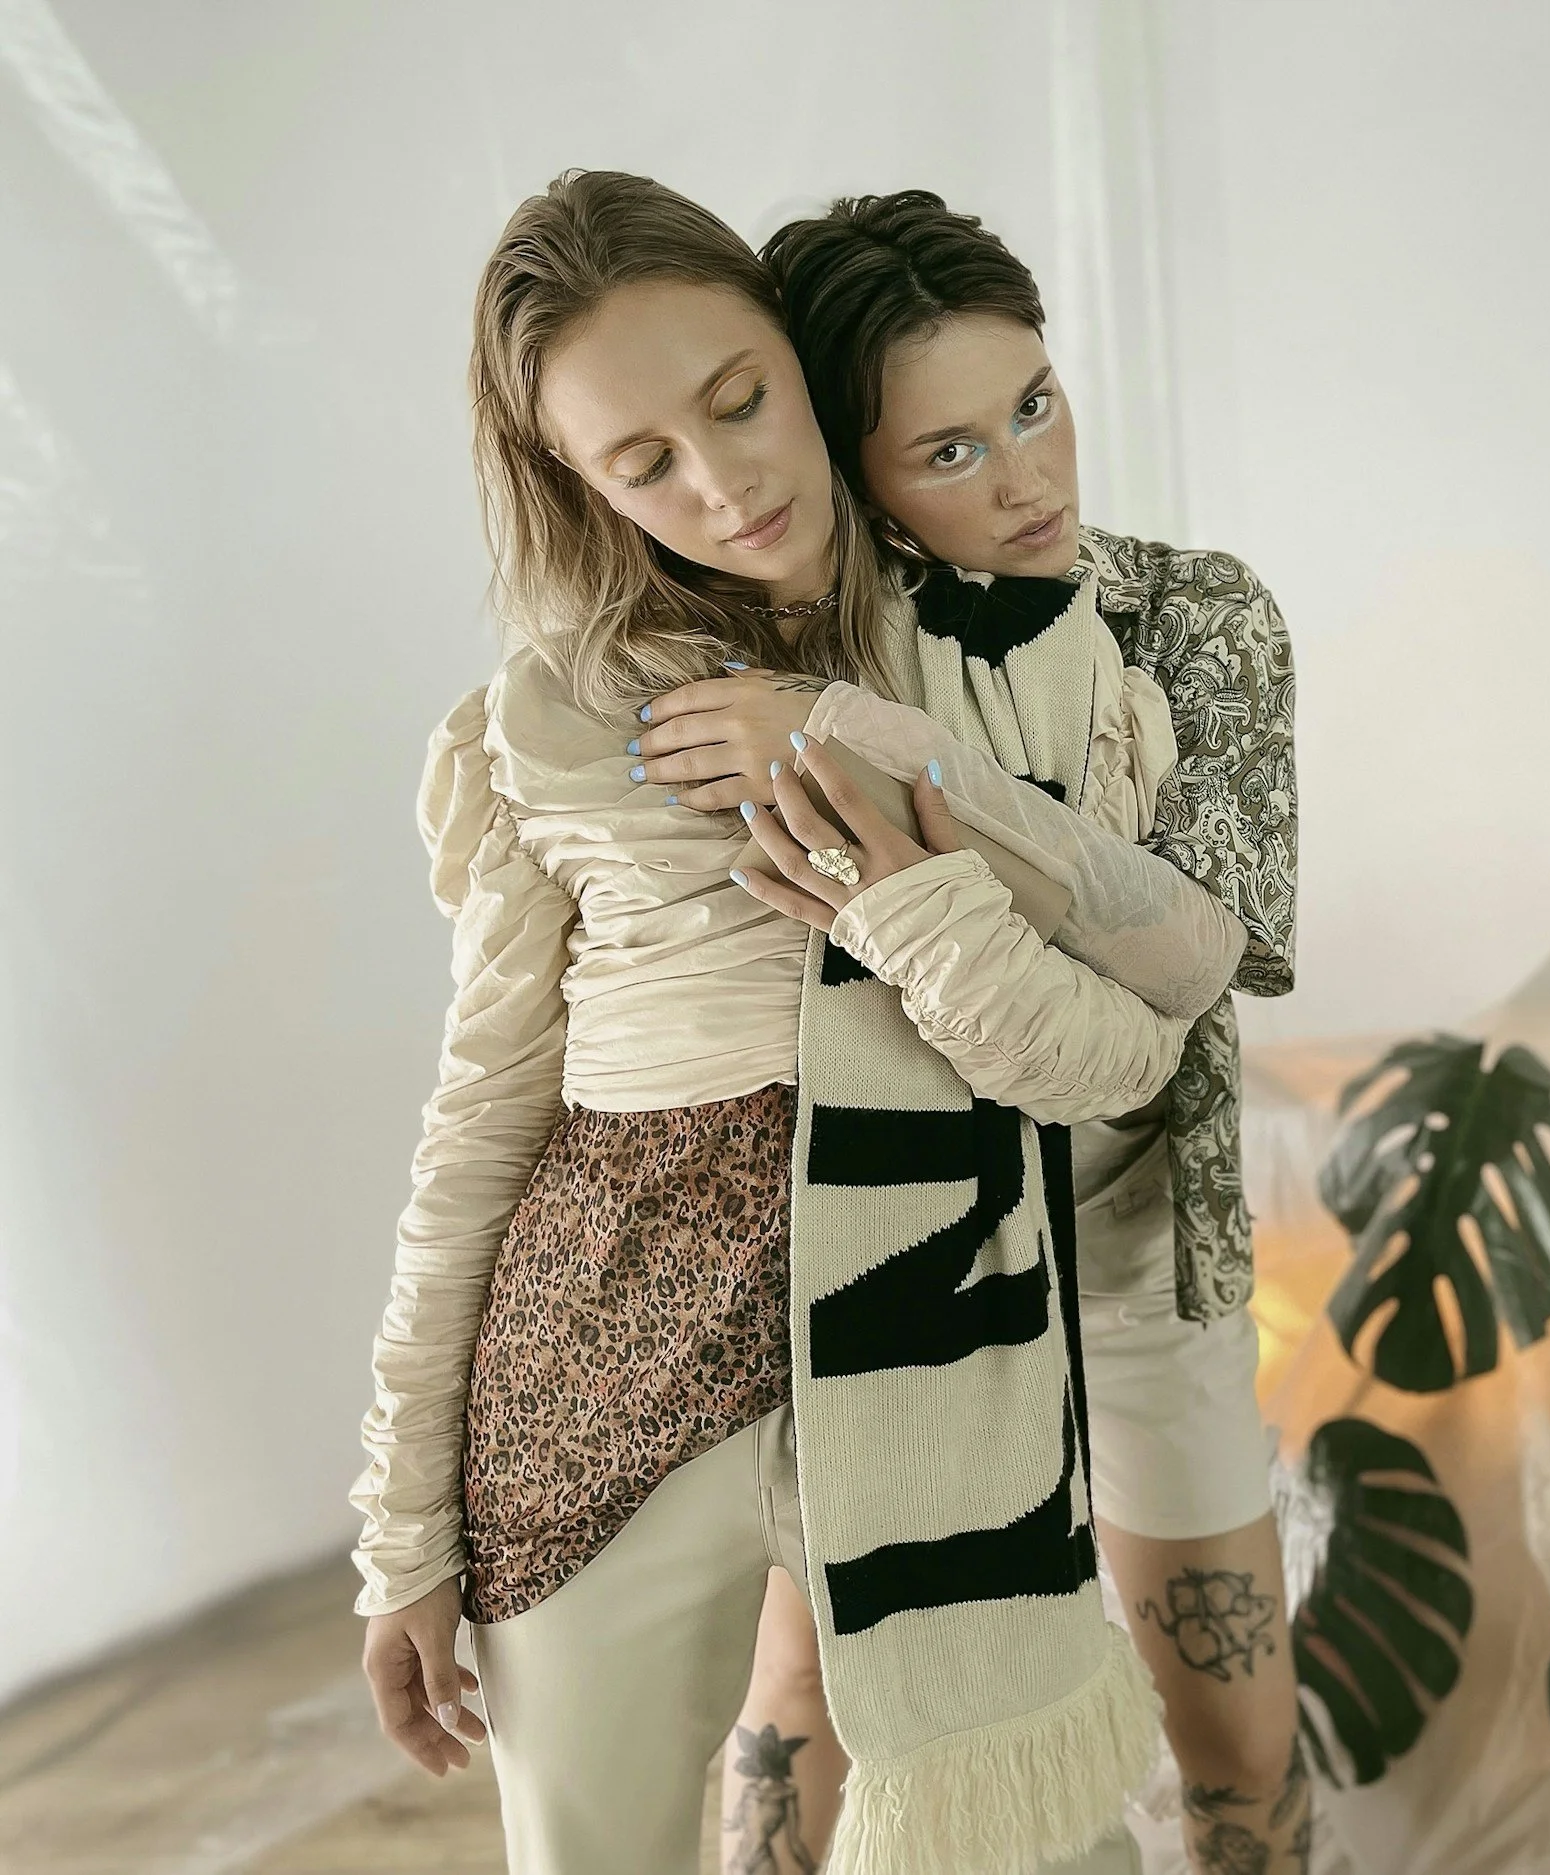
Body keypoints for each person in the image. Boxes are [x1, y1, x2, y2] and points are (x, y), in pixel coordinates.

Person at [349, 169, 1234, 1875]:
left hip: (948, 1370)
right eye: (642, 462)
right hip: (596, 1386)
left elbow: (1139, 1042)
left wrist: (877, 801)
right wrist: (400, 1524)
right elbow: (482, 1124)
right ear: (574, 483)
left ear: (795, 354)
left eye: (741, 399)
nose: (723, 479)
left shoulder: (1008, 656)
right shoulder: (544, 721)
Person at [645, 189, 1304, 1875]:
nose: (1027, 478)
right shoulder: (777, 651)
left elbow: (1206, 951)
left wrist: (883, 752)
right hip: (899, 1263)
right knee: (807, 1701)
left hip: (1140, 1243)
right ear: (855, 473)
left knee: (1234, 1727)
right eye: (949, 450)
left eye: (1034, 403)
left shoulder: (1194, 617)